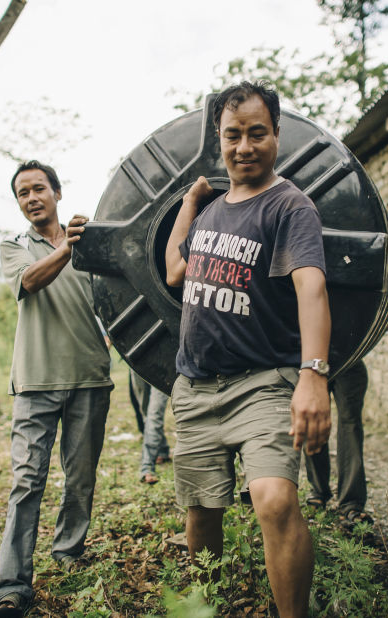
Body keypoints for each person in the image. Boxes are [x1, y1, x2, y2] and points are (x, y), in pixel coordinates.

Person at [164, 81, 332, 618]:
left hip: (262, 385)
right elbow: (174, 271)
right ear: (219, 139)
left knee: (276, 501)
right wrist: (190, 202)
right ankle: (205, 609)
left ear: (276, 135)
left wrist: (313, 375)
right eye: (232, 135)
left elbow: (311, 287)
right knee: (201, 514)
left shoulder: (290, 206)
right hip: (193, 389)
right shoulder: (212, 213)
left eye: (256, 133)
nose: (244, 147)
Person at [0, 161, 114, 618]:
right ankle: (12, 587)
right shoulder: (15, 247)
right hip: (35, 382)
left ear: (56, 193)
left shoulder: (90, 243)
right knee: (27, 482)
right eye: (23, 193)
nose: (31, 198)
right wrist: (68, 249)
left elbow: (117, 294)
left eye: (38, 189)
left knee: (80, 479)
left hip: (90, 379)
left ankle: (67, 556)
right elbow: (29, 282)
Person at [303, 361, 372, 525]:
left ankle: (351, 503)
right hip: (311, 365)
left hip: (349, 361)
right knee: (312, 422)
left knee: (351, 426)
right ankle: (318, 491)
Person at [128, 370, 171, 483]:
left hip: (163, 364)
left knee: (154, 414)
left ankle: (147, 467)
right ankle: (162, 450)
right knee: (146, 413)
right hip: (136, 362)